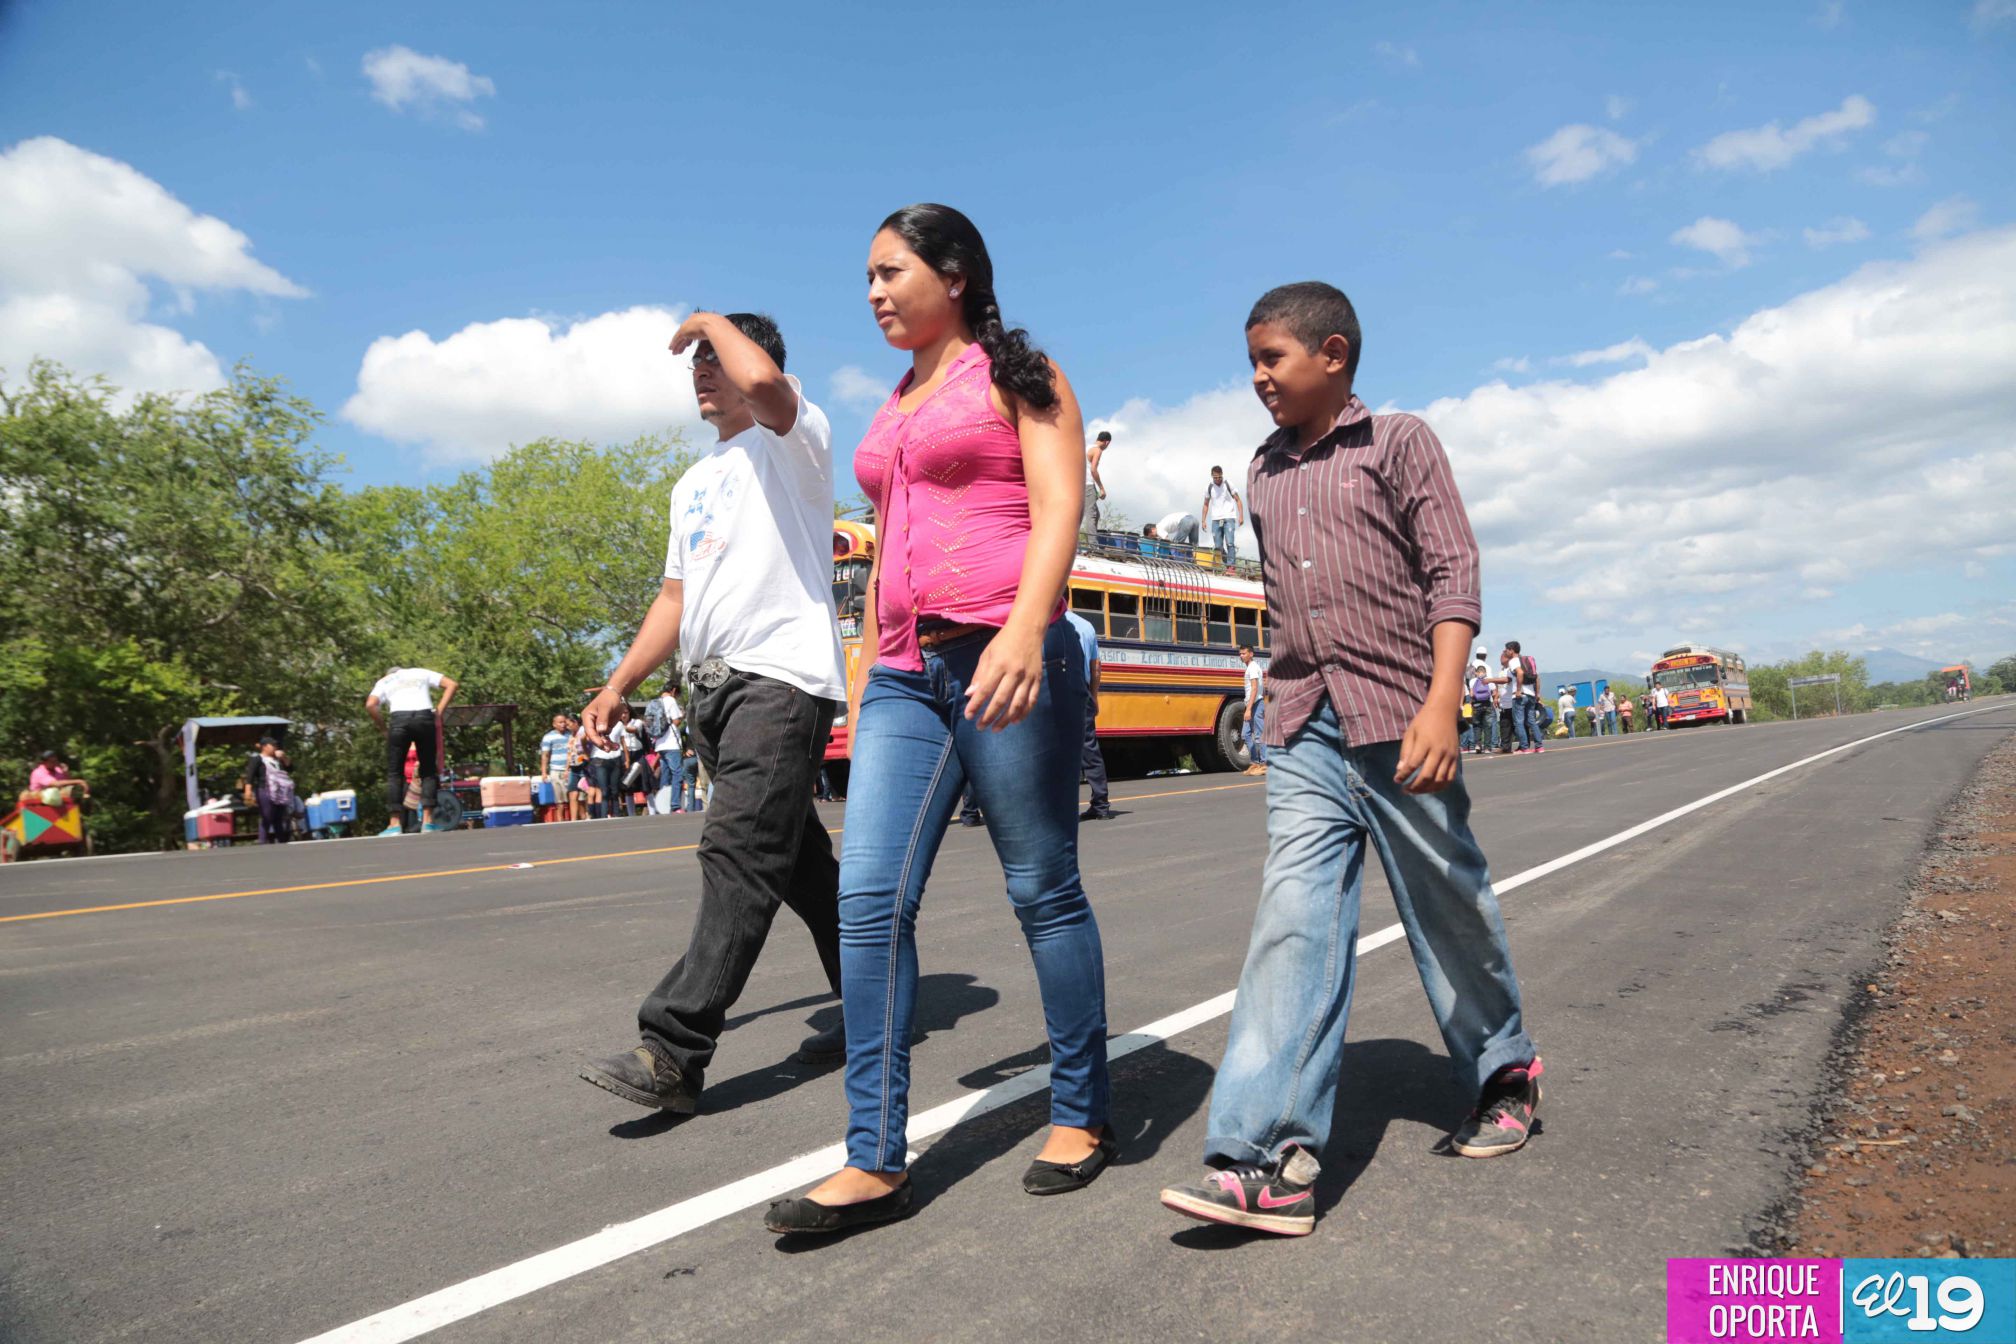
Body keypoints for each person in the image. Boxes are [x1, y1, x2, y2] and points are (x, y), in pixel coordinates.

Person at [1159, 281, 1541, 1238]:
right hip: (1305, 728)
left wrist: (1443, 705)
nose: (1257, 378)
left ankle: (1503, 1074)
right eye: (1250, 361)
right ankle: (1266, 1161)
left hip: (1403, 714)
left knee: (1447, 901)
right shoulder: (1264, 472)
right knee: (1293, 920)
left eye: (1271, 359)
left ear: (1333, 355)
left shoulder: (1399, 442)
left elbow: (1453, 571)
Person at [765, 204, 1112, 1237]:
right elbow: (882, 543)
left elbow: (1060, 508)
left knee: (1041, 886)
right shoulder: (896, 400)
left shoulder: (1022, 373)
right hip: (909, 677)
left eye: (889, 272)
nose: (872, 293)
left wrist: (1024, 627)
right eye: (865, 278)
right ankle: (874, 1158)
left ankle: (1084, 1112)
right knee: (868, 902)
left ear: (952, 273)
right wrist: (868, 671)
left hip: (1006, 656)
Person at [577, 309, 849, 1119]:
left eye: (713, 359)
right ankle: (882, 998)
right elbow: (674, 598)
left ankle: (673, 1048)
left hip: (780, 678)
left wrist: (710, 321)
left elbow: (764, 382)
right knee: (799, 869)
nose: (702, 371)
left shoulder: (796, 439)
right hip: (713, 695)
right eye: (692, 361)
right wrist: (617, 683)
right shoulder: (692, 484)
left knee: (735, 853)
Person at [365, 665, 458, 835]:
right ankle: (428, 823)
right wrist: (438, 712)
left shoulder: (385, 680)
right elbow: (452, 684)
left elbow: (371, 705)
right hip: (424, 717)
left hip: (399, 720)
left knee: (395, 772)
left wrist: (384, 728)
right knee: (428, 770)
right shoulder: (420, 672)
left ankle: (394, 824)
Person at [1068, 609, 1113, 821]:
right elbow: (1096, 667)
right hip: (1083, 690)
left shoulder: (1049, 622)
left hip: (1058, 690)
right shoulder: (1086, 626)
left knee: (1058, 749)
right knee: (1089, 747)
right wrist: (1094, 696)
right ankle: (1101, 804)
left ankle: (1061, 805)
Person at [240, 735, 296, 844]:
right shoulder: (257, 759)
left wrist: (283, 757)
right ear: (264, 747)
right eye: (273, 745)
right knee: (267, 816)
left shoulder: (277, 760)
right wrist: (248, 791)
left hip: (279, 791)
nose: (275, 747)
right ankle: (262, 841)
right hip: (264, 789)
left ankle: (281, 840)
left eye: (276, 745)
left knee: (279, 817)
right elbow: (250, 776)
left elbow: (290, 768)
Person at [1201, 465, 1245, 568]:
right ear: (1212, 476)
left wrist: (1241, 516)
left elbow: (1238, 500)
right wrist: (1203, 520)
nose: (1217, 479)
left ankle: (1231, 566)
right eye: (1215, 477)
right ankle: (1227, 564)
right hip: (1216, 519)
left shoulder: (1228, 484)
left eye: (1219, 477)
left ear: (1222, 475)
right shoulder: (1209, 487)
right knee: (1218, 546)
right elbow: (1206, 504)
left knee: (1230, 542)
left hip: (1229, 516)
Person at [23, 750, 88, 806]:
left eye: (55, 760)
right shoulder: (39, 772)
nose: (54, 763)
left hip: (56, 801)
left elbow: (67, 783)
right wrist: (79, 781)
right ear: (44, 762)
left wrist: (66, 773)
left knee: (73, 791)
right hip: (38, 804)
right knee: (52, 793)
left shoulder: (58, 770)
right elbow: (57, 784)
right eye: (52, 761)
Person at [1240, 644, 1267, 773]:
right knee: (1245, 734)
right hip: (1251, 704)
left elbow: (1255, 688)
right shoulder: (1249, 668)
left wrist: (1249, 708)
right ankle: (1255, 762)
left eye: (1244, 653)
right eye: (1240, 654)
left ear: (1251, 654)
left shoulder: (1253, 668)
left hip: (1256, 704)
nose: (1241, 656)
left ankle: (1265, 762)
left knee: (1260, 734)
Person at [539, 714, 573, 815]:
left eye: (564, 722)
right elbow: (545, 755)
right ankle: (560, 822)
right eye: (560, 722)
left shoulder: (570, 735)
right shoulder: (548, 737)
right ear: (554, 724)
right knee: (559, 800)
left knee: (573, 797)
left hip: (571, 770)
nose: (563, 725)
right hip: (556, 770)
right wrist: (544, 772)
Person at [1082, 429, 1111, 534]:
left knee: (1095, 514)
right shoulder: (1097, 450)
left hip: (1080, 484)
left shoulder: (1086, 448)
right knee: (1092, 515)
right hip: (1088, 484)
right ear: (1107, 442)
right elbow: (1093, 469)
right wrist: (1102, 488)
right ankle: (1093, 546)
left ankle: (1092, 542)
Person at [1467, 655, 1495, 754]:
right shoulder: (1489, 681)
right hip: (1487, 705)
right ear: (1485, 672)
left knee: (1477, 726)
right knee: (1488, 726)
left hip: (1476, 705)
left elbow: (1471, 694)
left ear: (1476, 673)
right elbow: (1494, 693)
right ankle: (1487, 748)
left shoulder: (1472, 681)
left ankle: (1478, 745)